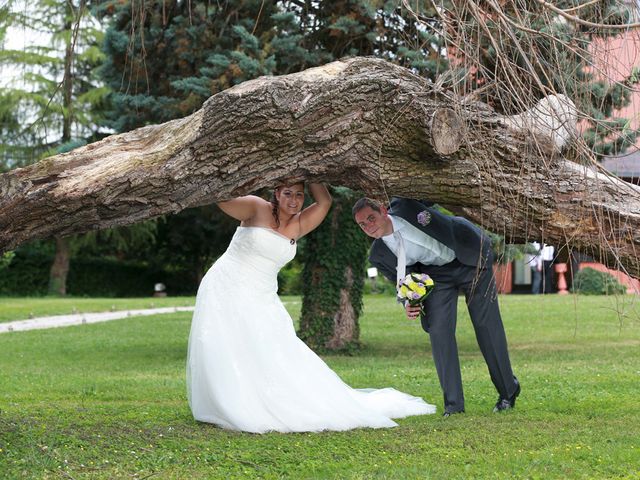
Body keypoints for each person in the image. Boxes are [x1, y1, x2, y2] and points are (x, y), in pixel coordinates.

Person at [186, 183, 436, 433]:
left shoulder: (299, 223)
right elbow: (220, 197)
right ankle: (226, 402)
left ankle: (257, 399)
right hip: (226, 285)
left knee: (270, 346)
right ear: (276, 193)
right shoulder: (255, 207)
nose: (294, 200)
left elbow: (325, 202)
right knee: (222, 342)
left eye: (298, 194)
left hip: (261, 293)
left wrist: (311, 171)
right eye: (287, 194)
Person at [353, 197, 520, 417]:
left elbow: (434, 190)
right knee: (439, 332)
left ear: (383, 210)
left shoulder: (405, 205)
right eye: (362, 224)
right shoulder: (378, 254)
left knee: (486, 326)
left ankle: (508, 391)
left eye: (371, 218)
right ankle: (454, 406)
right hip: (436, 276)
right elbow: (402, 282)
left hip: (471, 255)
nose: (368, 226)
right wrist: (407, 303)